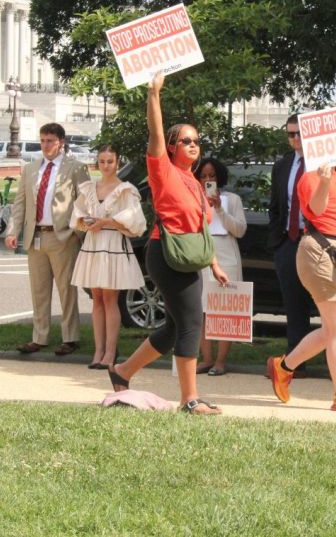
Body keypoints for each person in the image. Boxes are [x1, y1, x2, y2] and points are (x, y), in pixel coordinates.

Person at [106, 72, 229, 415]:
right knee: (192, 323)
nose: (194, 145)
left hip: (188, 257)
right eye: (187, 140)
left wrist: (215, 264)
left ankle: (122, 371)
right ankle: (190, 400)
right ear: (173, 147)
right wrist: (153, 95)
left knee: (176, 327)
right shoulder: (164, 170)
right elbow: (156, 133)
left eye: (197, 141)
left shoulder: (193, 180)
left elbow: (200, 229)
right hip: (167, 255)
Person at [266, 162, 336, 413]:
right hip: (323, 251)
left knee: (332, 329)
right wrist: (324, 182)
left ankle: (283, 367)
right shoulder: (310, 176)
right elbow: (316, 210)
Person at [5, 122, 90, 355]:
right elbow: (20, 203)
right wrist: (13, 231)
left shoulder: (75, 168)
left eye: (50, 140)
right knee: (39, 290)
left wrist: (79, 234)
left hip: (62, 236)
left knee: (66, 290)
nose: (45, 145)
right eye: (42, 140)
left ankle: (70, 338)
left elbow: (85, 204)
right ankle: (39, 337)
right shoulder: (31, 169)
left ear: (61, 142)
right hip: (36, 237)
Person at [70, 145, 147, 369]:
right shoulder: (88, 188)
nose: (106, 166)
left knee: (110, 299)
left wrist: (107, 222)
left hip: (113, 244)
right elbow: (77, 214)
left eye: (110, 161)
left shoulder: (126, 189)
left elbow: (134, 219)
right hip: (94, 245)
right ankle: (98, 351)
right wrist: (86, 223)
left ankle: (110, 352)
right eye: (102, 161)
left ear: (117, 163)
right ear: (97, 163)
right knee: (97, 299)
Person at [267, 114, 313, 377]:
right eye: (291, 134)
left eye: (299, 133)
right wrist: (278, 239)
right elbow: (276, 205)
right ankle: (295, 363)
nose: (295, 139)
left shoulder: (324, 164)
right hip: (288, 240)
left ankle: (334, 363)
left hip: (316, 242)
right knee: (293, 304)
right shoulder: (283, 165)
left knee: (324, 303)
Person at [193, 157, 247, 376]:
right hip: (201, 256)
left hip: (227, 257)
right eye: (204, 176)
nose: (208, 180)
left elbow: (240, 230)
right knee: (202, 310)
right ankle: (206, 358)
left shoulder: (231, 199)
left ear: (219, 177)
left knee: (225, 310)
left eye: (212, 175)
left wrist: (220, 210)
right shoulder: (194, 198)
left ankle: (220, 361)